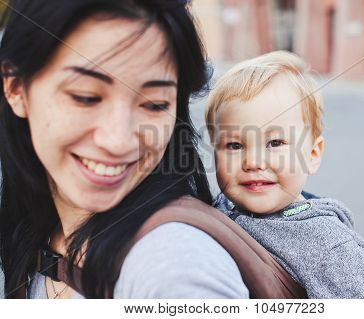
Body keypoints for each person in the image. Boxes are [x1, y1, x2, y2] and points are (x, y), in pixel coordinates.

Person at [0, 0, 249, 299]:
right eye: (86, 97)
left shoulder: (174, 272)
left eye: (154, 104)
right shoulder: (39, 229)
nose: (118, 141)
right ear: (15, 88)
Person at [204, 51, 364, 298]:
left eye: (275, 143)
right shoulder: (216, 208)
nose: (253, 162)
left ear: (313, 155)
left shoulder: (330, 249)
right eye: (234, 145)